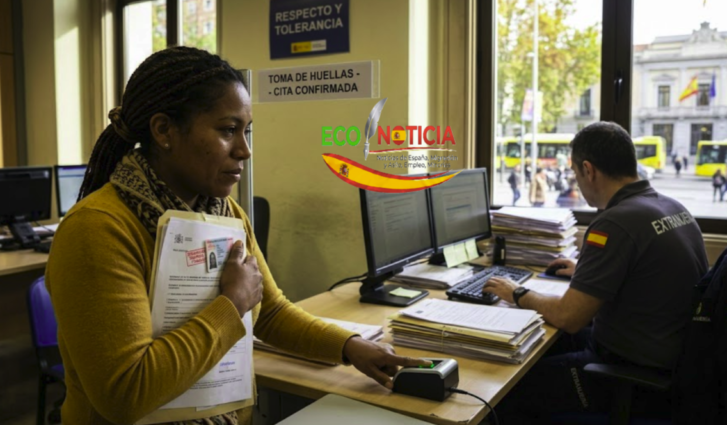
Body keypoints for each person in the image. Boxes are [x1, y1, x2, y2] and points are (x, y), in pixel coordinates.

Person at [45, 47, 430, 425]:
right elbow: (125, 394)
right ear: (164, 130)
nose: (245, 151)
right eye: (228, 131)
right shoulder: (98, 229)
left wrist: (350, 347)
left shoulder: (224, 213)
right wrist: (232, 304)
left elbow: (272, 312)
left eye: (246, 132)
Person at [484, 121, 708, 422]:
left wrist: (518, 293)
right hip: (673, 361)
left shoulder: (615, 222)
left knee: (502, 391)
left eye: (576, 173)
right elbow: (648, 275)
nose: (577, 181)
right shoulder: (671, 207)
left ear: (588, 170)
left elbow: (569, 317)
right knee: (543, 349)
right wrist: (587, 272)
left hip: (631, 376)